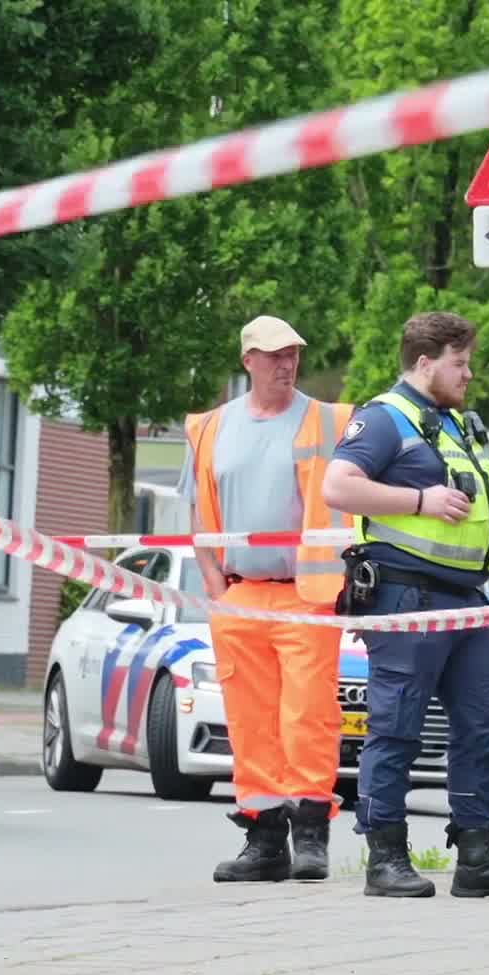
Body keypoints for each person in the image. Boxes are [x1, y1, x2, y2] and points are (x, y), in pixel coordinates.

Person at [321, 311, 489, 901]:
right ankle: (385, 856)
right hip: (407, 596)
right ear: (425, 363)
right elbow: (338, 486)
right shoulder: (384, 419)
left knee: (483, 721)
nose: (469, 373)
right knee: (396, 728)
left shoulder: (450, 424)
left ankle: (477, 856)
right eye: (459, 362)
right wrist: (418, 500)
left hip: (465, 601)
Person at [179, 315, 355, 883]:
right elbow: (196, 514)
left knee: (308, 714)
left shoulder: (328, 421)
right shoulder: (210, 429)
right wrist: (214, 585)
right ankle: (263, 836)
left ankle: (310, 834)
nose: (287, 363)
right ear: (248, 360)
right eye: (275, 354)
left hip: (307, 593)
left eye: (294, 354)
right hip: (239, 595)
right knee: (250, 721)